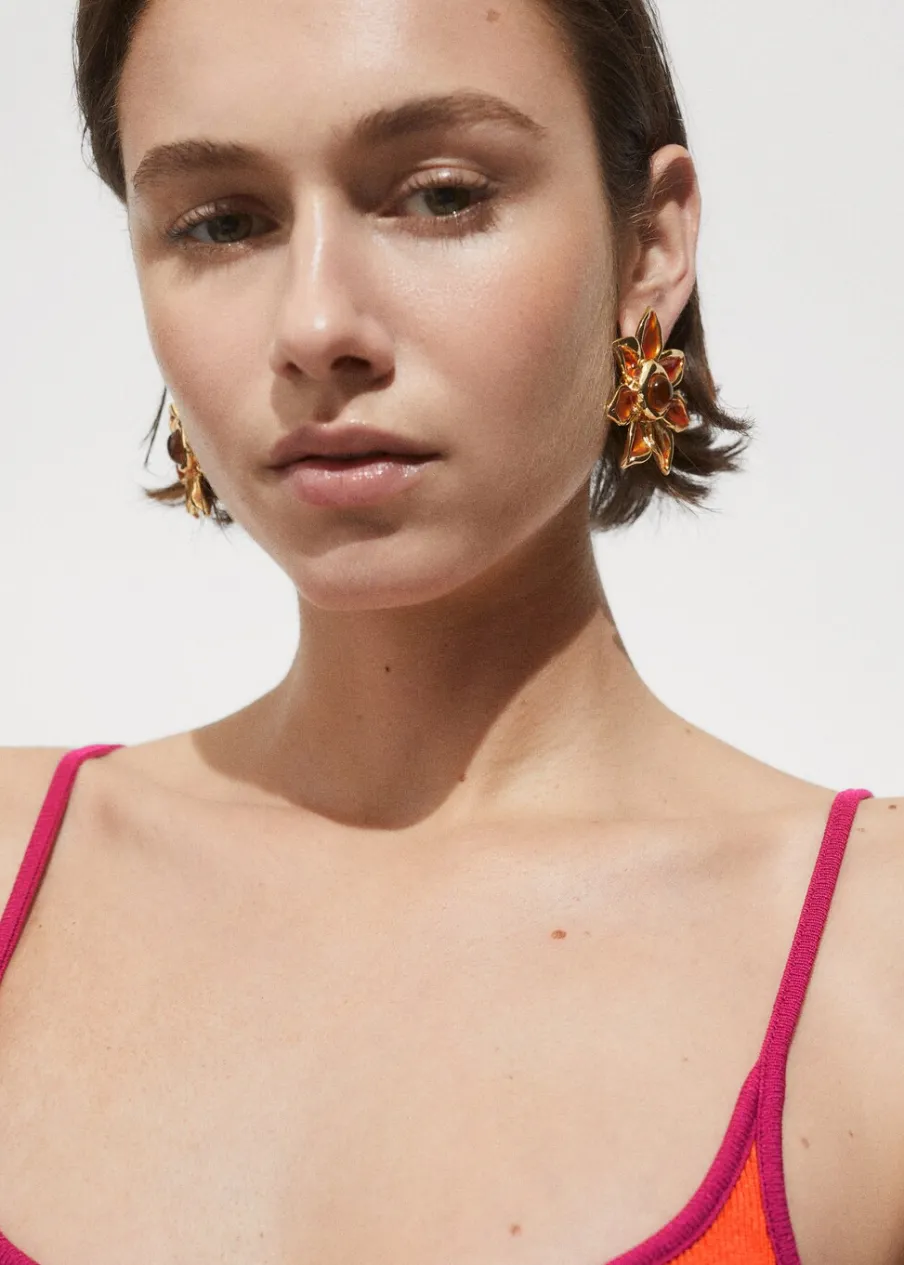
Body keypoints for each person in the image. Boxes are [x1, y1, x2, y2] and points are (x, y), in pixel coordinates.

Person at [0, 0, 901, 1261]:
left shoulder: (874, 965)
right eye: (221, 222)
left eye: (438, 197)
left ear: (650, 247)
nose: (315, 327)